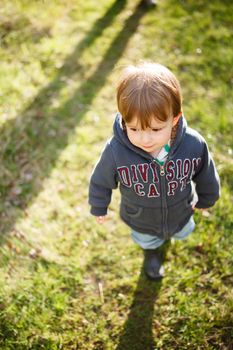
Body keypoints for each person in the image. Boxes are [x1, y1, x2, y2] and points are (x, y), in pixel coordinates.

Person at [88, 62, 220, 280]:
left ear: (174, 119)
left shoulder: (193, 144)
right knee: (148, 240)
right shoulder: (116, 152)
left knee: (181, 230)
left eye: (156, 129)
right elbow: (100, 181)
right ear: (123, 120)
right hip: (141, 217)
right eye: (134, 129)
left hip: (180, 209)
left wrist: (207, 197)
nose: (145, 139)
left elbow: (205, 172)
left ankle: (168, 238)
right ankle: (151, 255)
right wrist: (99, 206)